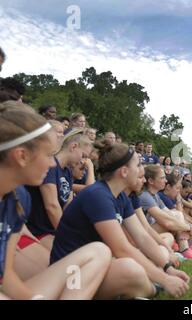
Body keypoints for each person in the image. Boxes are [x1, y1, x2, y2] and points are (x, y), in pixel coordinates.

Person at [50, 140, 190, 299]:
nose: (141, 171)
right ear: (124, 171)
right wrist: (165, 280)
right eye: (137, 165)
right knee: (131, 269)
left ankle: (144, 288)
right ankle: (152, 288)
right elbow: (121, 248)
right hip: (71, 275)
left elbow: (142, 237)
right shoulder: (98, 195)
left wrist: (168, 268)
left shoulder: (120, 196)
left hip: (93, 267)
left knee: (136, 265)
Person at [0, 101, 111, 299]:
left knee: (99, 252)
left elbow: (5, 276)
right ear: (22, 156)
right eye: (49, 155)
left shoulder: (18, 198)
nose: (53, 162)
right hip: (42, 234)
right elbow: (52, 207)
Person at [25, 128, 92, 250]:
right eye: (83, 156)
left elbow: (69, 205)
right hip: (39, 231)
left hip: (53, 230)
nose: (83, 161)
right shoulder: (51, 166)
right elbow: (51, 206)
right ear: (73, 147)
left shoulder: (67, 172)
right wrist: (67, 236)